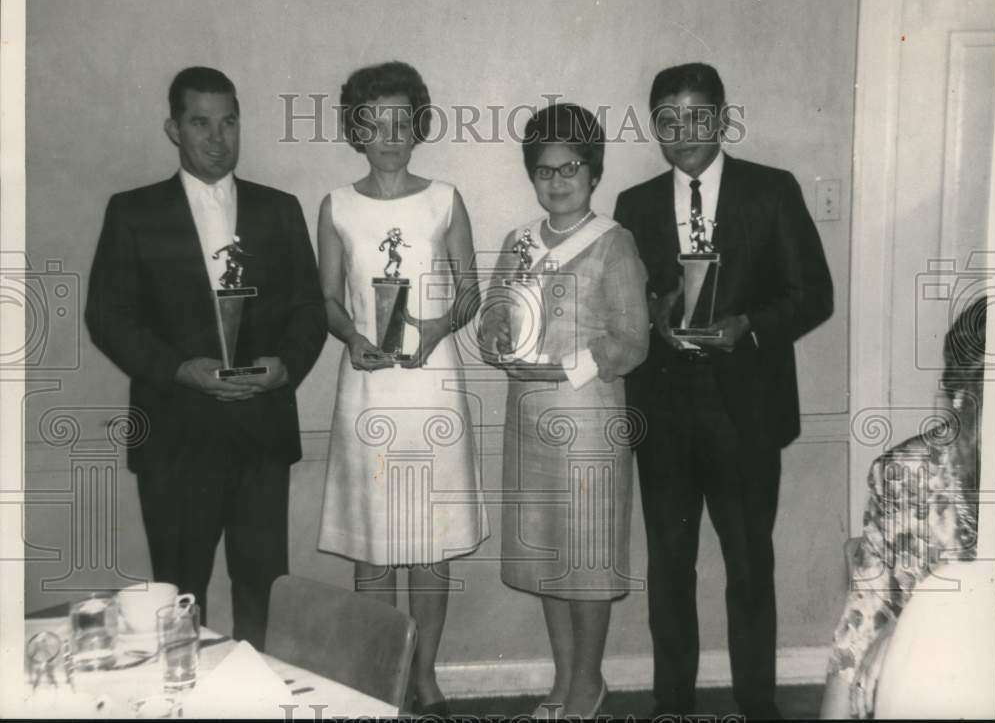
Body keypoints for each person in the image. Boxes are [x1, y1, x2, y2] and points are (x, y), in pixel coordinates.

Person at [614, 62, 834, 719]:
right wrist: (653, 308)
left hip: (746, 413)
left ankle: (758, 703)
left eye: (697, 116)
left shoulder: (770, 191)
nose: (682, 131)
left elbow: (813, 293)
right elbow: (632, 300)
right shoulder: (636, 203)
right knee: (670, 570)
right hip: (665, 413)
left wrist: (747, 326)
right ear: (654, 124)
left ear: (722, 118)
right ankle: (673, 702)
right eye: (667, 119)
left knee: (748, 567)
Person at [85, 66, 327, 648]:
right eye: (201, 123)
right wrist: (178, 370)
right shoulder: (133, 212)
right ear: (173, 128)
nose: (218, 139)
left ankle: (258, 700)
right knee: (179, 591)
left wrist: (285, 366)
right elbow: (107, 318)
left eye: (229, 122)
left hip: (260, 432)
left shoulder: (280, 209)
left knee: (261, 587)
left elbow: (309, 312)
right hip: (175, 435)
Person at [316, 61, 488, 716]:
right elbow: (329, 299)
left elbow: (470, 289)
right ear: (355, 130)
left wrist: (440, 325)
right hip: (367, 390)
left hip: (430, 383)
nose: (389, 133)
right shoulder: (335, 205)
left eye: (401, 119)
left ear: (418, 126)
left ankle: (426, 676)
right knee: (375, 543)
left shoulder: (445, 198)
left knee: (430, 539)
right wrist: (352, 335)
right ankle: (383, 678)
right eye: (374, 121)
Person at [480, 103, 649, 718]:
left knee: (585, 557)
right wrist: (495, 334)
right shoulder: (517, 241)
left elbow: (633, 341)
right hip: (528, 418)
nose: (557, 180)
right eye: (544, 170)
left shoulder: (613, 243)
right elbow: (494, 309)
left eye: (570, 167)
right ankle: (564, 681)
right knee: (548, 553)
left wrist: (562, 367)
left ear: (593, 171)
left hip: (588, 421)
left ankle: (589, 684)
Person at [820, 297, 986, 719]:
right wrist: (900, 633)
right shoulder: (903, 477)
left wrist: (914, 629)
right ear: (964, 400)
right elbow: (858, 632)